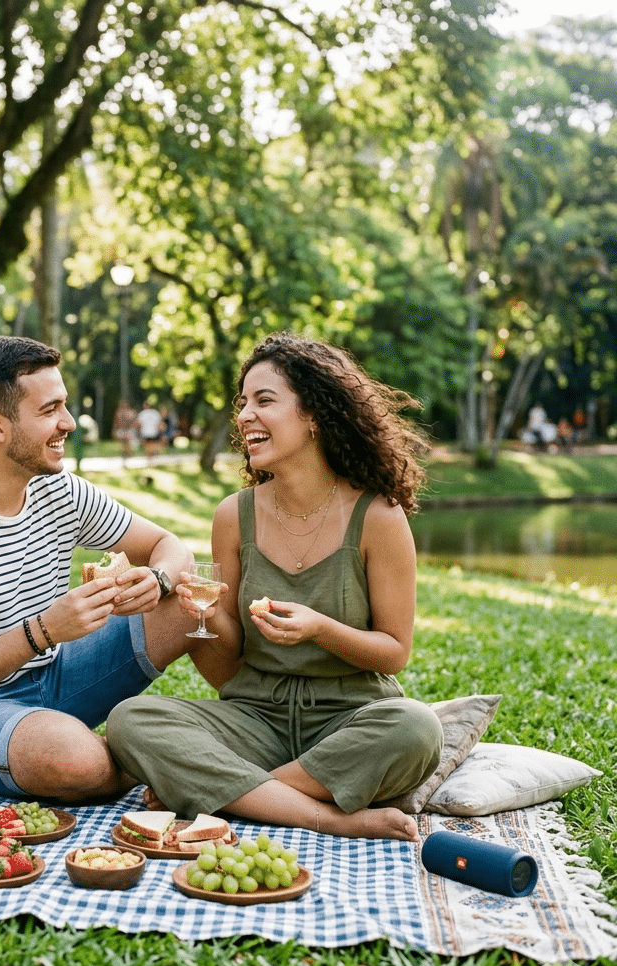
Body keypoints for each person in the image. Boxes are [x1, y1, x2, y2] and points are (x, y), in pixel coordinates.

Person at [106, 333, 444, 842]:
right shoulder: (234, 516)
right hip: (253, 718)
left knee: (418, 729)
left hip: (349, 718)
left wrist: (320, 629)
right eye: (243, 403)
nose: (244, 416)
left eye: (264, 401)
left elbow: (394, 653)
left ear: (314, 415)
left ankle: (233, 793)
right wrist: (203, 613)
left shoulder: (378, 516)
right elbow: (229, 667)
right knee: (132, 720)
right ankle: (324, 815)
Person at [0, 335, 197, 805]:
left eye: (64, 406)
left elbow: (167, 545)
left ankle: (224, 740)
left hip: (53, 674)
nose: (68, 423)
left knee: (191, 604)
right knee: (77, 762)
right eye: (50, 410)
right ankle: (162, 762)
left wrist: (159, 580)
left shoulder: (59, 489)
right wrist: (44, 631)